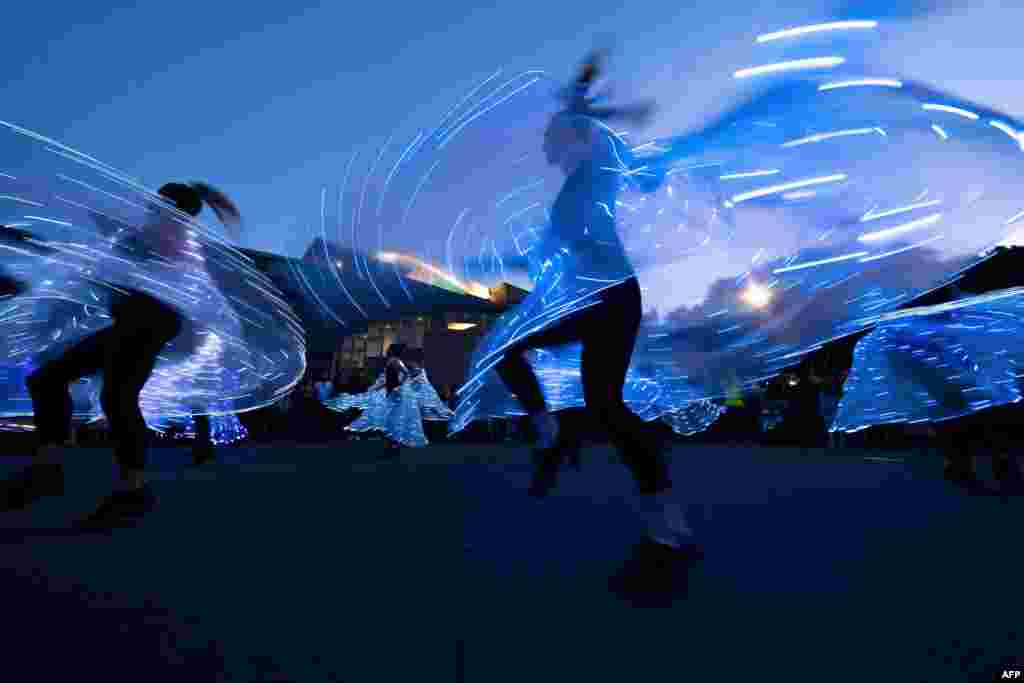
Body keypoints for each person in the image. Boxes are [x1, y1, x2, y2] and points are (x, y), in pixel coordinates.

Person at [491, 52, 697, 560]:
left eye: (555, 137)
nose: (547, 144)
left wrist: (584, 94)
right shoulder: (568, 193)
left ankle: (660, 516)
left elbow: (579, 118)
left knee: (594, 400)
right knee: (596, 402)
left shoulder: (598, 171)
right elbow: (559, 250)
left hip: (613, 296)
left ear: (576, 139)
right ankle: (561, 441)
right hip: (593, 298)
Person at [0, 181, 240, 527]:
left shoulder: (169, 235)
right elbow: (107, 265)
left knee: (105, 394)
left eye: (159, 201)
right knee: (76, 387)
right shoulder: (164, 235)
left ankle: (103, 483)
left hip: (147, 323)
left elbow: (130, 263)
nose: (151, 205)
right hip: (138, 323)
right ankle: (73, 474)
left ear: (171, 206)